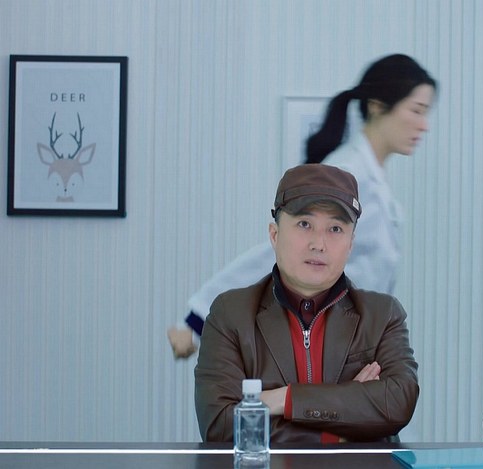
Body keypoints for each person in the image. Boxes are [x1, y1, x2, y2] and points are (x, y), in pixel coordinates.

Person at [168, 53, 436, 359]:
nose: (424, 125)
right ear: (377, 106)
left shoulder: (372, 179)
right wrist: (197, 320)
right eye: (416, 110)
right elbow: (283, 249)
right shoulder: (348, 174)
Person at [194, 164, 419, 443]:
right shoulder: (231, 314)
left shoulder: (382, 315)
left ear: (350, 244)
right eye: (304, 224)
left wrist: (284, 399)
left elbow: (397, 404)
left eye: (335, 228)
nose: (319, 244)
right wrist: (339, 430)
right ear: (274, 235)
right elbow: (220, 425)